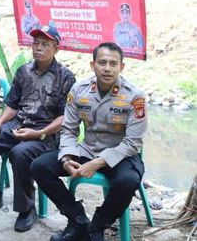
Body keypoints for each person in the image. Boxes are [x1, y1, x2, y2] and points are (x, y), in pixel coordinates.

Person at [0, 25, 76, 233]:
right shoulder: (24, 71)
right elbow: (13, 105)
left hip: (46, 134)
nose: (38, 48)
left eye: (45, 44)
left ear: (56, 48)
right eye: (36, 43)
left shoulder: (66, 77)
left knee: (20, 153)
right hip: (18, 125)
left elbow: (65, 117)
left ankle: (27, 209)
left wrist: (37, 133)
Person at [31, 42, 147, 241]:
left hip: (122, 155)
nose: (107, 68)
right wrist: (67, 156)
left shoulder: (135, 96)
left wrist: (98, 163)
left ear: (122, 67)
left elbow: (133, 143)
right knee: (39, 166)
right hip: (87, 150)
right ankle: (77, 221)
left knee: (128, 181)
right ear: (93, 65)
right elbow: (69, 129)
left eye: (113, 63)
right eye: (102, 62)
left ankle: (97, 226)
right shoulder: (79, 90)